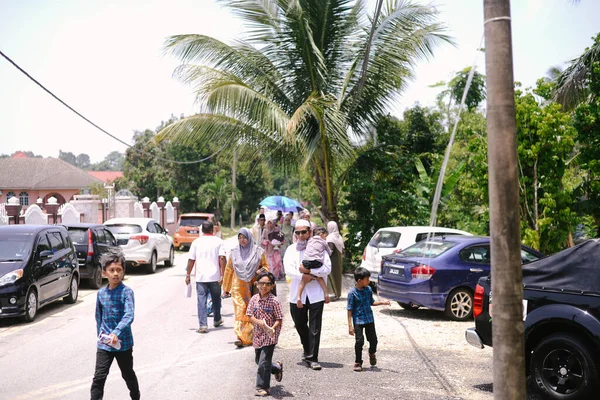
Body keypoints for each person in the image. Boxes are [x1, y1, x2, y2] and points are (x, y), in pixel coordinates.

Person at [91, 251, 140, 400]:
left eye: (119, 270)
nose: (115, 274)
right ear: (105, 272)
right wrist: (101, 336)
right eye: (112, 270)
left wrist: (116, 333)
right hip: (105, 344)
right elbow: (98, 317)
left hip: (122, 344)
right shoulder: (101, 294)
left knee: (127, 373)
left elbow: (129, 315)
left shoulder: (127, 292)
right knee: (99, 377)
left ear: (123, 271)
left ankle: (135, 396)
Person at [283, 219, 331, 371]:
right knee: (299, 323)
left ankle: (313, 358)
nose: (300, 235)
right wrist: (301, 276)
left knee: (315, 327)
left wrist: (310, 272)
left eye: (304, 232)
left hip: (316, 293)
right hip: (297, 294)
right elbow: (289, 269)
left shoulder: (318, 246)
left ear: (310, 232)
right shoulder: (291, 250)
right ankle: (307, 348)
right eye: (297, 232)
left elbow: (327, 268)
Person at [222, 227, 269, 348]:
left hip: (253, 286)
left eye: (244, 238)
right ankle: (241, 337)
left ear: (249, 238)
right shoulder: (234, 252)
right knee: (240, 309)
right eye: (240, 238)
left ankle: (251, 335)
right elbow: (228, 270)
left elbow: (266, 267)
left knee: (252, 310)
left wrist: (259, 271)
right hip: (238, 286)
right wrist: (226, 289)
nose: (242, 240)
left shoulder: (258, 252)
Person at [246, 271, 284, 397]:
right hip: (257, 335)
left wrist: (272, 328)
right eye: (261, 283)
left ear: (272, 286)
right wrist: (259, 323)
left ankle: (262, 387)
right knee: (259, 360)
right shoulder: (254, 299)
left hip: (270, 336)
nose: (264, 286)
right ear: (256, 284)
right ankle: (277, 368)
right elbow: (249, 315)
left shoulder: (274, 301)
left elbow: (279, 318)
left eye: (267, 284)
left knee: (263, 362)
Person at [185, 220, 226, 333]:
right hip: (215, 276)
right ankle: (217, 319)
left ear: (202, 230)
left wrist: (188, 275)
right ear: (213, 229)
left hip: (201, 277)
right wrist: (223, 274)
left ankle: (203, 325)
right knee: (216, 299)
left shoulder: (196, 242)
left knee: (201, 300)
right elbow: (222, 258)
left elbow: (191, 260)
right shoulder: (219, 242)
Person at [347, 267, 390, 372]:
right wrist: (350, 325)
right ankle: (358, 362)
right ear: (359, 280)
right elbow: (349, 309)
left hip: (369, 319)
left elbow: (371, 302)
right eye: (367, 279)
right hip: (358, 320)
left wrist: (383, 303)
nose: (369, 281)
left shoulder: (368, 290)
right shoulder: (352, 293)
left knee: (373, 340)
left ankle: (372, 353)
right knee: (359, 341)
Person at [296, 226, 331, 308]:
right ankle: (326, 293)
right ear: (322, 234)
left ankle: (298, 297)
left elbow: (300, 247)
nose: (325, 238)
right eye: (325, 236)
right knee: (319, 278)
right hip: (316, 261)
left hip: (306, 262)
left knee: (303, 281)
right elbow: (328, 251)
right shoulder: (323, 242)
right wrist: (329, 252)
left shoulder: (309, 240)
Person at [326, 221, 344, 300]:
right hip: (338, 259)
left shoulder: (330, 237)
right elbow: (343, 249)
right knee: (338, 276)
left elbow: (330, 249)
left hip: (332, 259)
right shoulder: (339, 236)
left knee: (332, 276)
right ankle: (338, 294)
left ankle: (333, 294)